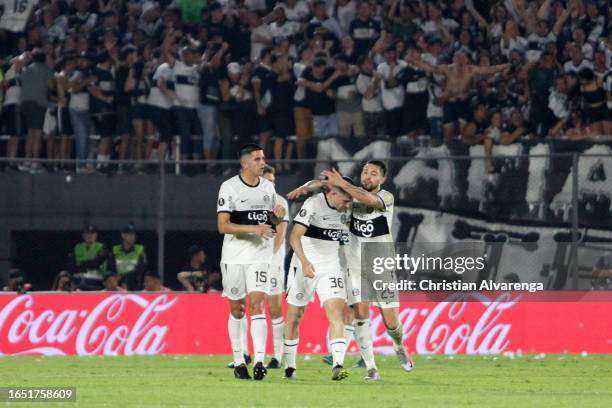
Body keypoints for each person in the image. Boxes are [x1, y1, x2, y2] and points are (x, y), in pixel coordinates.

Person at [289, 161, 415, 376]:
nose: (367, 176)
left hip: (381, 266)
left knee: (391, 322)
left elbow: (369, 200)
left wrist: (342, 185)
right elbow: (323, 185)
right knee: (360, 314)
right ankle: (371, 367)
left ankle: (399, 346)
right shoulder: (348, 199)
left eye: (373, 174)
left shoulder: (385, 198)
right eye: (365, 172)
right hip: (355, 268)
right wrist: (306, 187)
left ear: (382, 180)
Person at [216, 143, 286, 380]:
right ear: (244, 163)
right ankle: (238, 361)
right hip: (234, 256)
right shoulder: (229, 188)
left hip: (260, 256)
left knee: (257, 305)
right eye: (257, 159)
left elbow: (272, 223)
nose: (262, 162)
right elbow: (223, 225)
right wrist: (255, 229)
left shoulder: (268, 187)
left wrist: (277, 218)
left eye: (263, 158)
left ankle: (259, 361)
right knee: (238, 309)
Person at [283, 179, 352, 381]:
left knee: (336, 313)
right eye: (346, 200)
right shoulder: (314, 204)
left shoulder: (347, 210)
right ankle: (290, 366)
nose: (348, 205)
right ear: (332, 194)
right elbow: (294, 236)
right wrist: (304, 262)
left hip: (330, 266)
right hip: (303, 264)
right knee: (295, 316)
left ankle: (338, 365)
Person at [407, 49, 510, 144]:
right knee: (447, 136)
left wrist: (505, 66)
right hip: (449, 103)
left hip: (463, 103)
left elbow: (489, 69)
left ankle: (464, 159)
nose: (460, 60)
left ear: (466, 60)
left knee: (464, 134)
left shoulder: (471, 70)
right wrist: (413, 61)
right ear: (454, 59)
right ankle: (448, 158)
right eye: (457, 58)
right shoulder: (447, 69)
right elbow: (429, 68)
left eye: (462, 58)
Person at [261, 165, 289, 369]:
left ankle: (277, 356)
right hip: (251, 261)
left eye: (273, 181)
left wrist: (268, 258)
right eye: (267, 180)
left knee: (274, 307)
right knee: (250, 306)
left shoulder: (280, 202)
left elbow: (280, 235)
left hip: (272, 262)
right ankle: (248, 354)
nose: (271, 184)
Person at [19, 49, 54, 174]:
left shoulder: (26, 69)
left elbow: (21, 81)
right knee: (37, 133)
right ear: (44, 59)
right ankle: (35, 162)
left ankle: (27, 160)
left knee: (30, 133)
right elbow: (51, 86)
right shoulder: (46, 70)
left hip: (24, 103)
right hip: (38, 103)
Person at [88, 50, 116, 172]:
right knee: (105, 136)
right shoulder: (96, 73)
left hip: (109, 111)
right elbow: (92, 89)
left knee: (109, 137)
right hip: (100, 110)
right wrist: (106, 99)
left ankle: (105, 162)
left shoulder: (108, 74)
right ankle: (100, 164)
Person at [1, 53, 26, 171]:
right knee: (15, 135)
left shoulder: (20, 74)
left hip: (12, 105)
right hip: (12, 105)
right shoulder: (11, 71)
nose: (21, 64)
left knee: (13, 135)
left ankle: (10, 161)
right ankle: (11, 162)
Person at [67, 225, 110, 290]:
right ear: (83, 235)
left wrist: (82, 264)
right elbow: (71, 263)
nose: (90, 236)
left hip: (97, 276)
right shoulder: (77, 247)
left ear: (96, 235)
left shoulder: (102, 247)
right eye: (87, 233)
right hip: (79, 275)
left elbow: (96, 263)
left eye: (92, 233)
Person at [109, 224, 147, 290]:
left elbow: (140, 269)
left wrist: (122, 277)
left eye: (133, 235)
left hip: (135, 286)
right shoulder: (115, 249)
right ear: (123, 235)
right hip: (118, 286)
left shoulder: (140, 249)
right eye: (129, 234)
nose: (132, 237)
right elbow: (111, 267)